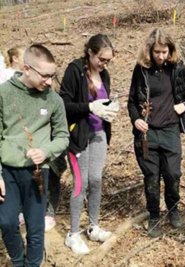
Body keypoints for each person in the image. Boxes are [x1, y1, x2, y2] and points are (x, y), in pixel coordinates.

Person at [127, 28, 185, 238]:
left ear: (170, 50)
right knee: (152, 177)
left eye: (164, 51)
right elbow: (132, 101)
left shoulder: (177, 69)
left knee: (172, 175)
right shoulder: (141, 69)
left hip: (171, 130)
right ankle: (154, 216)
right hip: (148, 133)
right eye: (157, 52)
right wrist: (136, 119)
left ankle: (173, 209)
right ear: (150, 51)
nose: (161, 56)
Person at [0, 44, 69, 267]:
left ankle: (33, 264)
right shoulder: (4, 93)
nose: (49, 81)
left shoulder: (53, 100)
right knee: (7, 222)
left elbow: (62, 136)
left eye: (53, 75)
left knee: (35, 225)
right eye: (45, 76)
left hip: (38, 173)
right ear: (27, 68)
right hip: (7, 172)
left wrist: (46, 151)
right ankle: (17, 261)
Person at [59, 34, 119, 254]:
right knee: (80, 183)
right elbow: (63, 104)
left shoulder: (105, 75)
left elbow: (104, 100)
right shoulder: (74, 71)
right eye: (101, 59)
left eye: (108, 61)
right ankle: (72, 234)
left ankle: (93, 226)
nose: (104, 64)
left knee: (96, 179)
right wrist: (90, 107)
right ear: (90, 53)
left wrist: (110, 108)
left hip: (99, 133)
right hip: (79, 137)